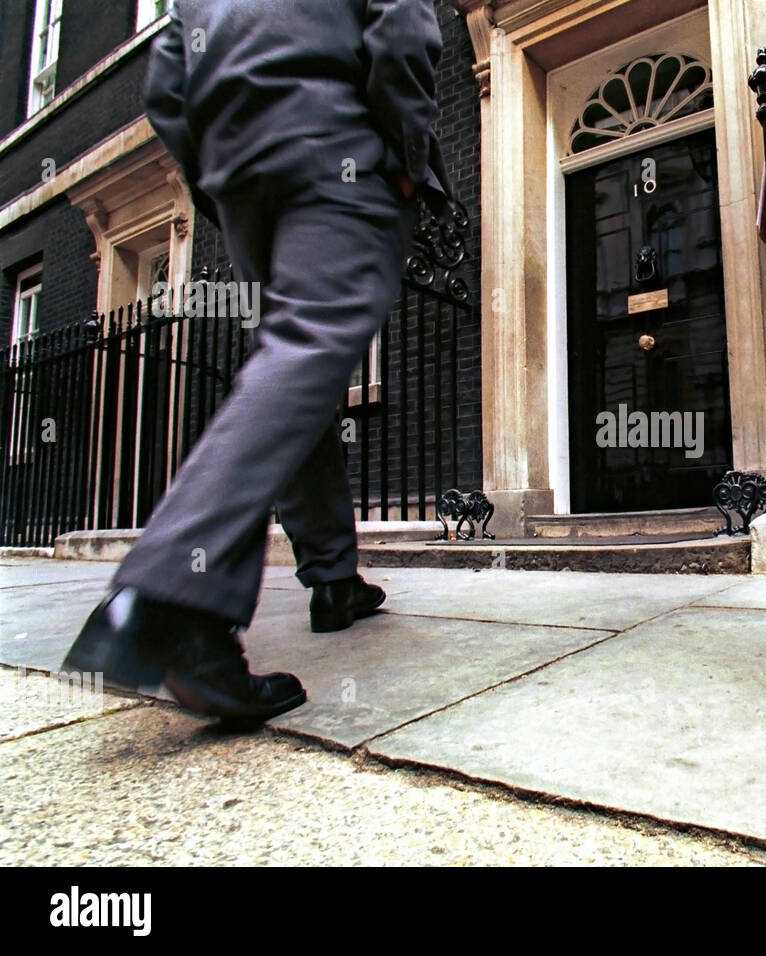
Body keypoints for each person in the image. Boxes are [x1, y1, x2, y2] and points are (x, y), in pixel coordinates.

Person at [62, 0, 451, 723]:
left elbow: (167, 85)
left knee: (297, 364)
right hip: (334, 139)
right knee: (309, 348)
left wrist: (219, 178)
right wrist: (404, 156)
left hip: (241, 168)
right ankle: (171, 600)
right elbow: (401, 24)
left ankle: (333, 578)